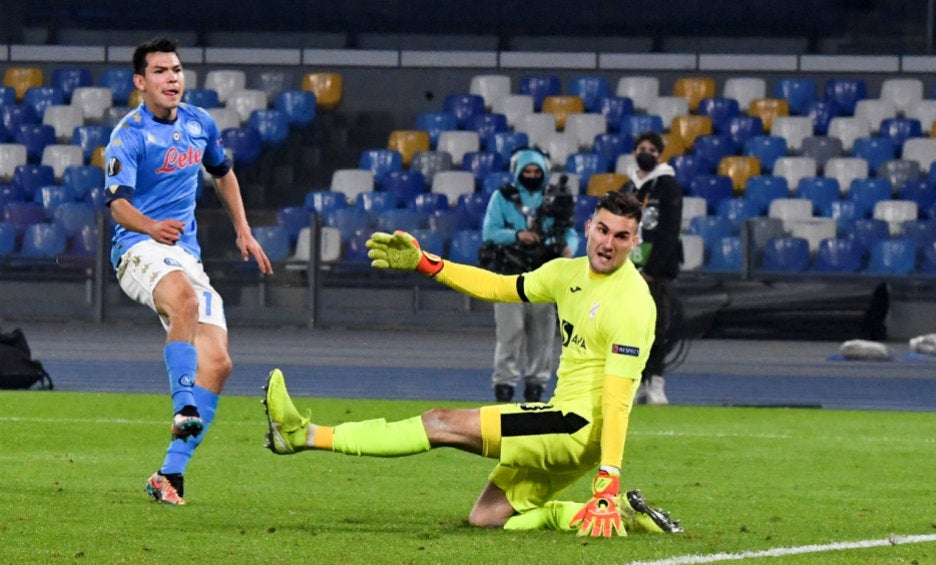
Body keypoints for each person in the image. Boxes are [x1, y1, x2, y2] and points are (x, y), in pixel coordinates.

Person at [263, 191, 682, 537]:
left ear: (634, 242)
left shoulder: (631, 304)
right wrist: (429, 264)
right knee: (487, 517)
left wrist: (609, 475)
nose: (608, 243)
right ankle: (612, 513)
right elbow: (499, 286)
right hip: (565, 428)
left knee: (440, 422)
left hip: (573, 426)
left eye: (621, 236)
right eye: (603, 230)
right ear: (588, 228)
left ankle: (302, 435)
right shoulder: (565, 273)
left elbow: (617, 401)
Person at [104, 36, 273, 506]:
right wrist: (151, 225)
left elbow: (223, 172)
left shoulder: (200, 124)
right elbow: (117, 204)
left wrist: (243, 229)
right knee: (185, 300)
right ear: (141, 82)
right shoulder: (128, 135)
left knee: (218, 363)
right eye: (160, 71)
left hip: (185, 254)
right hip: (138, 247)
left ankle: (169, 475)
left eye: (176, 69)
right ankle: (183, 407)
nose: (172, 77)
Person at [479, 148, 578, 403]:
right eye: (527, 171)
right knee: (510, 333)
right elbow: (489, 232)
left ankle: (536, 386)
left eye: (536, 171)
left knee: (542, 336)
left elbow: (569, 231)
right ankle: (504, 385)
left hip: (543, 275)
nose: (532, 175)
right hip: (508, 275)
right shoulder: (502, 197)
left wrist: (569, 248)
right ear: (518, 172)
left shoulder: (554, 198)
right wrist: (516, 236)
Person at [618, 131, 685, 406]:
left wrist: (652, 269)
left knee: (656, 328)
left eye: (652, 149)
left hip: (655, 272)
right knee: (627, 330)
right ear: (634, 152)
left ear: (659, 155)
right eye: (642, 148)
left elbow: (670, 231)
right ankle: (635, 381)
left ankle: (656, 381)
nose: (646, 153)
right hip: (627, 271)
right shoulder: (627, 188)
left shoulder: (669, 187)